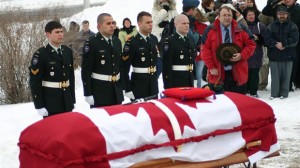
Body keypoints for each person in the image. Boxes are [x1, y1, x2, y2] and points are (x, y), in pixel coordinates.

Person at [201, 5, 256, 94]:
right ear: (218, 17)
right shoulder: (210, 30)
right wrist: (211, 67)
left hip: (238, 73)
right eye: (224, 15)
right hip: (218, 74)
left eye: (229, 15)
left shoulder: (241, 28)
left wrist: (241, 55)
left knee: (238, 103)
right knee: (220, 105)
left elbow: (251, 44)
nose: (227, 18)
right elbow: (205, 50)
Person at [29, 21, 76, 118]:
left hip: (66, 99)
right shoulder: (41, 54)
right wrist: (39, 105)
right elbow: (35, 82)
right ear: (48, 34)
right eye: (57, 32)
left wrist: (72, 99)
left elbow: (71, 76)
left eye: (61, 31)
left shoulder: (67, 51)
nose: (60, 34)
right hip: (51, 102)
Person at [81, 13, 124, 107]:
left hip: (116, 91)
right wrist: (88, 93)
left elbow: (120, 66)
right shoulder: (92, 43)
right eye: (108, 23)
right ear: (99, 26)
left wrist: (123, 86)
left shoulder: (116, 41)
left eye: (113, 23)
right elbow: (86, 70)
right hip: (100, 92)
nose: (112, 26)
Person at [262, 0, 300, 91]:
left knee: (293, 65)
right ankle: (280, 86)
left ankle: (291, 85)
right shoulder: (277, 7)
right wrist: (277, 1)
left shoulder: (298, 10)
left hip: (294, 42)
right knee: (279, 66)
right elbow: (265, 11)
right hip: (278, 42)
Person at [122, 11, 159, 100]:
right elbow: (124, 68)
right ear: (139, 24)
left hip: (153, 84)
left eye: (151, 22)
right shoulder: (132, 42)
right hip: (139, 86)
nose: (151, 24)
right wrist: (127, 88)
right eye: (147, 22)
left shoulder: (154, 39)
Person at [162, 14, 197, 89]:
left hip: (189, 80)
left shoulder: (190, 40)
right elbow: (166, 66)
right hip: (177, 81)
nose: (187, 25)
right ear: (176, 24)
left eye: (188, 23)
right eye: (184, 23)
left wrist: (194, 78)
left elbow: (192, 60)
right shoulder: (170, 41)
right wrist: (168, 87)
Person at [152, 0, 178, 78]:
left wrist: (169, 24)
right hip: (158, 41)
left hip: (170, 41)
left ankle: (169, 88)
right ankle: (153, 86)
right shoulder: (155, 9)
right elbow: (155, 21)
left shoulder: (173, 9)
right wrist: (164, 10)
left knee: (170, 68)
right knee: (158, 66)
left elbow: (176, 23)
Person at [245, 8, 267, 97]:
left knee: (254, 73)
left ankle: (253, 92)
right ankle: (246, 91)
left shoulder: (260, 26)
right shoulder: (243, 26)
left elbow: (266, 40)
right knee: (246, 73)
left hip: (256, 54)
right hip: (246, 54)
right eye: (249, 15)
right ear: (246, 16)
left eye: (252, 14)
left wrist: (258, 38)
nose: (251, 16)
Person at [194, 8, 209, 88]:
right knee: (196, 73)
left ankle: (199, 89)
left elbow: (207, 39)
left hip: (202, 52)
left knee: (199, 73)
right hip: (193, 52)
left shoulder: (205, 26)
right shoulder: (190, 25)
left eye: (196, 14)